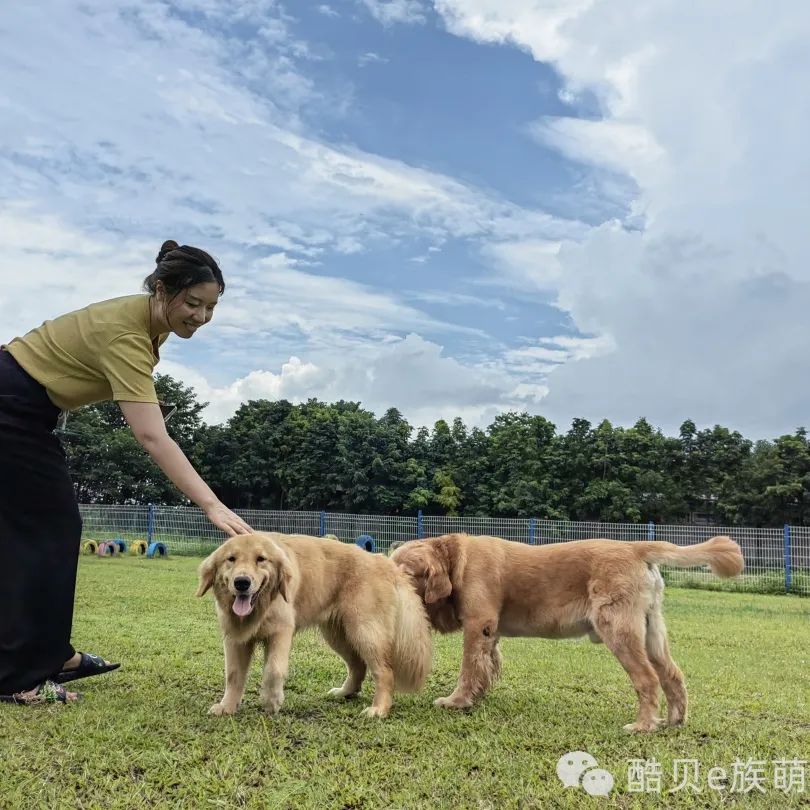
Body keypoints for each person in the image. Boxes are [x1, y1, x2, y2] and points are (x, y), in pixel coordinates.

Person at [0, 240, 252, 705]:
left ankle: (51, 654)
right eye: (192, 303)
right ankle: (21, 674)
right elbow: (153, 437)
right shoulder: (128, 334)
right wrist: (212, 504)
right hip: (11, 404)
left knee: (43, 531)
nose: (200, 316)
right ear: (161, 290)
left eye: (211, 307)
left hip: (27, 409)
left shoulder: (149, 323)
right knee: (44, 532)